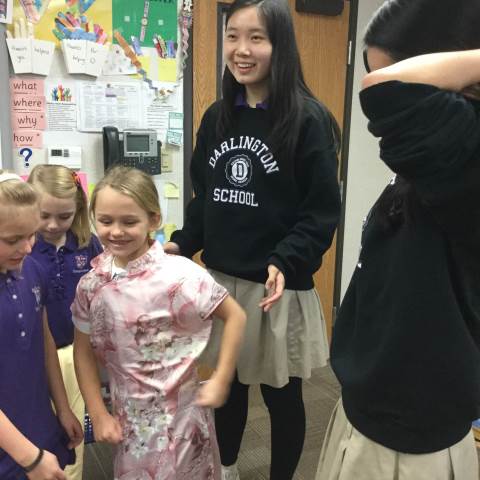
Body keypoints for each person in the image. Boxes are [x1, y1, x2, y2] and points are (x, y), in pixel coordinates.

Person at [164, 0, 341, 478]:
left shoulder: (308, 120)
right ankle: (226, 470)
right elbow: (207, 197)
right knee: (229, 388)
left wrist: (287, 258)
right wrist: (181, 242)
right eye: (233, 36)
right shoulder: (217, 116)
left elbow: (321, 212)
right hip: (222, 283)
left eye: (256, 38)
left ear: (280, 46)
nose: (241, 49)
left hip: (274, 287)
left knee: (282, 396)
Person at [316, 0, 480, 478]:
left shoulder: (466, 159)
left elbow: (387, 91)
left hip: (407, 432)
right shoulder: (441, 162)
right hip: (376, 407)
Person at [72, 166, 246, 479]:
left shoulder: (181, 274)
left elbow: (235, 315)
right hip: (131, 423)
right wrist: (97, 412)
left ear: (153, 220)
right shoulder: (92, 285)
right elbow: (82, 350)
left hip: (185, 418)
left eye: (129, 222)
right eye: (106, 221)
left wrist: (222, 377)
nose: (116, 231)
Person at [0, 171, 83, 480]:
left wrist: (62, 407)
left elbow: (44, 340)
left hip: (36, 421)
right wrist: (30, 458)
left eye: (31, 235)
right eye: (12, 240)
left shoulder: (32, 271)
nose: (26, 247)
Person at [27, 164, 103, 480]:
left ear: (78, 210)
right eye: (44, 215)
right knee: (34, 432)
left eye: (64, 216)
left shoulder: (87, 244)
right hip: (32, 354)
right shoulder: (23, 247)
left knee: (72, 431)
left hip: (76, 354)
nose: (53, 225)